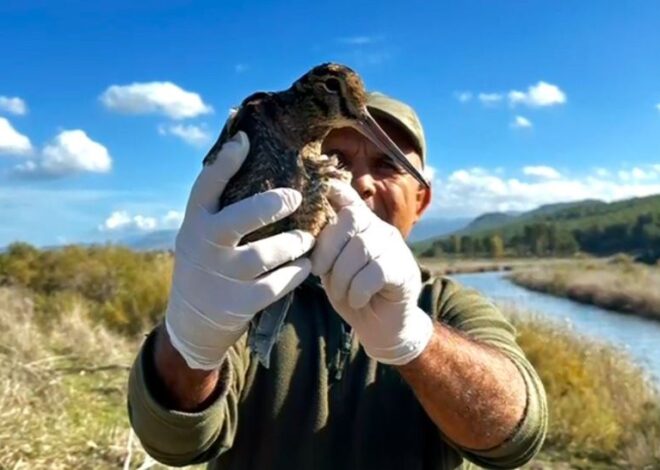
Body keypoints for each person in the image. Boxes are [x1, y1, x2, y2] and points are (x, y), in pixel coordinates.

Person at [127, 92, 548, 469]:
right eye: (339, 161)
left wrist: (415, 338)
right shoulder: (248, 287)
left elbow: (516, 437)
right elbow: (174, 444)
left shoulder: (445, 303)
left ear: (422, 201)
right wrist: (190, 345)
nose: (361, 183)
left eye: (387, 163)